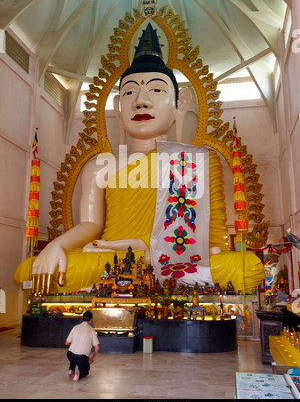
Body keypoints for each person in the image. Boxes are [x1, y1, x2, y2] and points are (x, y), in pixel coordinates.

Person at [14, 23, 264, 294]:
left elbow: (207, 242)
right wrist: (56, 246)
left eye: (156, 90)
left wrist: (128, 245)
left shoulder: (197, 161)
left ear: (181, 105)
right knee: (32, 268)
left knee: (245, 267)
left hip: (175, 260)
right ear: (118, 108)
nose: (140, 101)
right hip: (111, 260)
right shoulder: (100, 166)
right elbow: (91, 225)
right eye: (130, 92)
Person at [65, 310, 99, 382]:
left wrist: (74, 344)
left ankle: (71, 370)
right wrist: (93, 357)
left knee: (74, 357)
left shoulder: (75, 327)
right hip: (81, 357)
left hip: (69, 354)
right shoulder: (91, 330)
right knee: (86, 370)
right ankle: (79, 374)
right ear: (90, 320)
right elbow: (97, 346)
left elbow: (66, 343)